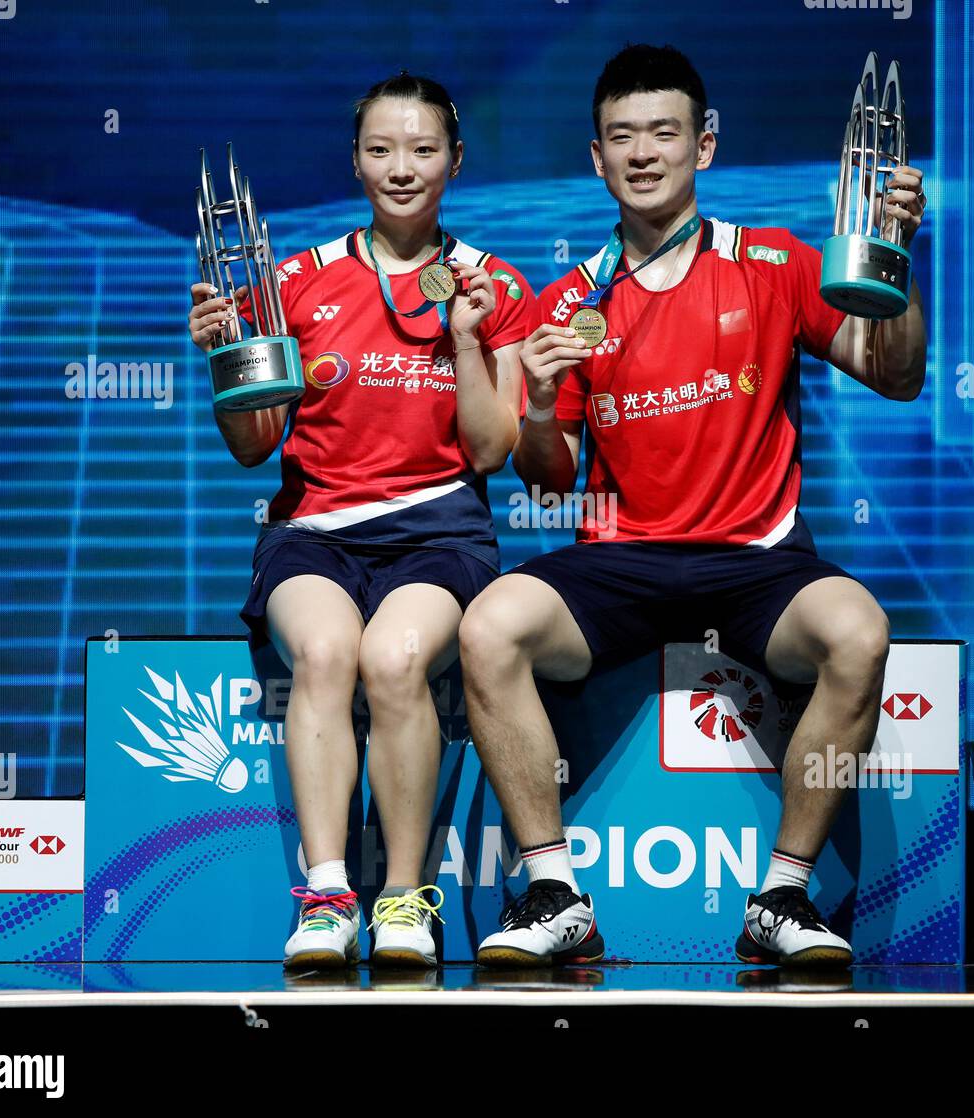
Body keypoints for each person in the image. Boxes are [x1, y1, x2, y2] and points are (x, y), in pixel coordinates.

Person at [459, 44, 927, 968]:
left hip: (759, 557)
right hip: (620, 561)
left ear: (704, 146)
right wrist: (545, 408)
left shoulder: (775, 263)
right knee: (488, 629)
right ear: (596, 158)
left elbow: (897, 372)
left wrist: (895, 257)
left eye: (664, 133)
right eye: (622, 137)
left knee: (860, 632)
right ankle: (555, 893)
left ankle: (783, 899)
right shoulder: (572, 302)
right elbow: (546, 481)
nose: (643, 154)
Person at [187, 72, 534, 969]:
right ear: (355, 161)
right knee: (330, 654)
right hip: (315, 533)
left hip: (441, 534)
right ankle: (329, 896)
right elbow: (253, 445)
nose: (401, 167)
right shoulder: (293, 282)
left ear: (456, 160)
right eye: (381, 149)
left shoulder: (496, 287)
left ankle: (405, 899)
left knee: (395, 658)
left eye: (422, 150)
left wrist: (465, 338)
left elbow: (494, 452)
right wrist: (230, 361)